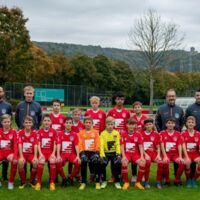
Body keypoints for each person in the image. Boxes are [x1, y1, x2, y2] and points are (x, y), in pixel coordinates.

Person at [121, 119, 146, 190]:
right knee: (124, 162)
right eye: (130, 124)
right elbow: (122, 146)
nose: (131, 126)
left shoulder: (138, 134)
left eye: (133, 124)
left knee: (142, 163)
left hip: (135, 154)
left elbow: (141, 146)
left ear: (135, 125)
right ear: (127, 125)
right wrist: (123, 156)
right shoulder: (123, 134)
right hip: (127, 154)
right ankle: (126, 182)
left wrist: (141, 156)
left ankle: (138, 182)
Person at [35, 114, 57, 191]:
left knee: (53, 160)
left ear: (51, 122)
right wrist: (40, 154)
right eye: (45, 120)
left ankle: (52, 183)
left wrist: (53, 154)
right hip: (42, 152)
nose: (46, 122)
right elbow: (37, 144)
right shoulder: (39, 131)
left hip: (50, 152)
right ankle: (38, 182)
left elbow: (55, 143)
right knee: (41, 161)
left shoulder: (54, 131)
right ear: (42, 122)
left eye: (48, 121)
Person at [160, 118, 184, 186]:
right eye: (169, 123)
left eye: (172, 123)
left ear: (174, 124)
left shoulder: (178, 134)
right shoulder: (161, 133)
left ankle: (177, 180)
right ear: (166, 124)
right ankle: (167, 180)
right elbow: (161, 146)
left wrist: (180, 157)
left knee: (182, 163)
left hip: (175, 154)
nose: (170, 124)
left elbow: (179, 145)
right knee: (165, 162)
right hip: (166, 154)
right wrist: (164, 156)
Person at [56, 117, 81, 186]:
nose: (68, 124)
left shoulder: (75, 134)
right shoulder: (60, 133)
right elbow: (58, 144)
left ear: (72, 124)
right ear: (64, 124)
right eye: (67, 123)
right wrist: (58, 155)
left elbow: (76, 145)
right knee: (57, 162)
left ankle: (70, 178)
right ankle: (64, 179)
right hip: (63, 154)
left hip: (71, 154)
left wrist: (78, 156)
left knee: (78, 162)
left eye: (70, 123)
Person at [78, 117, 101, 190]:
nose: (88, 124)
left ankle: (97, 182)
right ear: (84, 123)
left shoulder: (96, 132)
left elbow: (98, 143)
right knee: (83, 161)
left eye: (89, 123)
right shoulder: (81, 133)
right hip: (85, 152)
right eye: (86, 122)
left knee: (97, 161)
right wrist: (82, 153)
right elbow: (80, 144)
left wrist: (97, 153)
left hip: (93, 152)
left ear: (92, 124)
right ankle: (83, 182)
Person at [100, 116, 121, 189]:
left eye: (111, 124)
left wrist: (118, 154)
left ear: (114, 125)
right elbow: (101, 145)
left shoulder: (117, 133)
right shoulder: (103, 134)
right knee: (102, 164)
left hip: (114, 153)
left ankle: (117, 181)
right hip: (106, 153)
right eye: (108, 124)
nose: (110, 126)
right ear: (106, 125)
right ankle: (104, 181)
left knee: (118, 163)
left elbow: (118, 144)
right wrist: (102, 155)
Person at [17, 116, 38, 189]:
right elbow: (19, 144)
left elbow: (35, 145)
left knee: (35, 162)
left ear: (32, 124)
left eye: (29, 122)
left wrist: (35, 156)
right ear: (23, 124)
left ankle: (31, 181)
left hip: (31, 154)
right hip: (23, 154)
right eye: (26, 122)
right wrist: (21, 156)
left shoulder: (35, 133)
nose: (28, 124)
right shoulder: (20, 132)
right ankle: (23, 182)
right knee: (20, 162)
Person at [142, 119, 163, 189]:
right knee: (147, 162)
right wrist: (145, 154)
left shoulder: (156, 134)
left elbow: (158, 146)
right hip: (145, 153)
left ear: (152, 125)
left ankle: (158, 181)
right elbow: (140, 147)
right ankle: (146, 181)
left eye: (150, 124)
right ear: (145, 126)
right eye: (147, 125)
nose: (148, 126)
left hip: (154, 153)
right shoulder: (141, 134)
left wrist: (158, 155)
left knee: (160, 162)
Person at [130, 101, 147, 183]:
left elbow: (149, 128)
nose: (137, 109)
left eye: (138, 107)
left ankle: (142, 174)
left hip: (144, 141)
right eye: (135, 107)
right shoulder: (132, 118)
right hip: (134, 141)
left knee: (142, 157)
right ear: (133, 109)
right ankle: (134, 174)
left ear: (142, 108)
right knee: (134, 158)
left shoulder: (145, 118)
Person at [0, 114, 18, 190]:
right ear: (2, 123)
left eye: (8, 121)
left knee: (14, 161)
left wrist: (15, 155)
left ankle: (11, 182)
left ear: (10, 122)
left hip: (10, 152)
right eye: (5, 122)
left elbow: (15, 146)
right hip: (1, 152)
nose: (7, 123)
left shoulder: (14, 132)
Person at [182, 116, 200, 188]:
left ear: (195, 124)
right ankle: (188, 180)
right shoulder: (183, 134)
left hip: (195, 153)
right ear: (186, 123)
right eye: (189, 122)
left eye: (192, 122)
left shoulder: (198, 134)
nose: (191, 124)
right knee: (187, 162)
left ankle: (194, 180)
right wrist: (186, 156)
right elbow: (182, 146)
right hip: (187, 153)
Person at [0, 87, 12, 181]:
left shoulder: (7, 105)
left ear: (3, 92)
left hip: (5, 131)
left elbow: (10, 118)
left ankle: (4, 174)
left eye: (0, 91)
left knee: (6, 149)